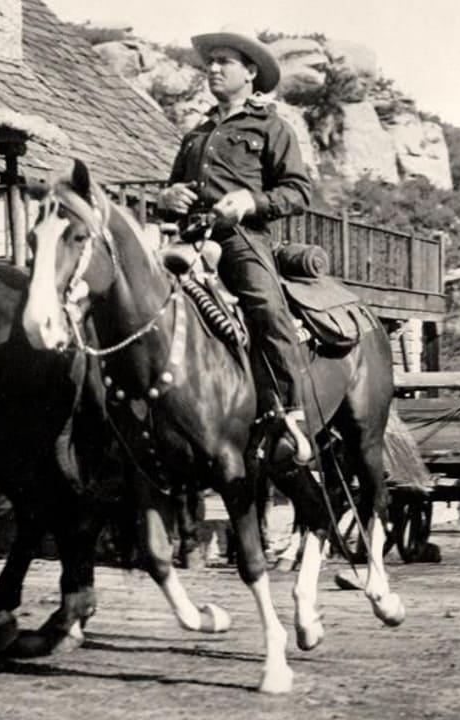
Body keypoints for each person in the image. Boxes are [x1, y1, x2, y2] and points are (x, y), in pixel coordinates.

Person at [157, 27, 316, 464]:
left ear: (250, 73)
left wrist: (251, 201)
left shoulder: (271, 127)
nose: (212, 68)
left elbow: (300, 193)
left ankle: (290, 418)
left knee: (266, 307)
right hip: (189, 240)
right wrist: (166, 198)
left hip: (242, 239)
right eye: (210, 62)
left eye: (224, 61)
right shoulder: (197, 133)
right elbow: (173, 189)